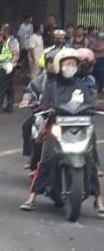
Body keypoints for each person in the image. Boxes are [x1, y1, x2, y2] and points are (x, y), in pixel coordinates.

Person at [20, 49, 103, 216]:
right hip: (56, 128)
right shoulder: (52, 86)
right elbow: (44, 104)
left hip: (80, 127)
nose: (70, 67)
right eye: (67, 64)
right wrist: (41, 109)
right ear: (59, 66)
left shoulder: (82, 86)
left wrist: (95, 109)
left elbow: (90, 103)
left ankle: (98, 201)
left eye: (73, 64)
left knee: (91, 161)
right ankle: (32, 198)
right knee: (47, 159)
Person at [0, 24, 20, 113]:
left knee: (2, 86)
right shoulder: (2, 40)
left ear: (6, 31)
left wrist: (10, 64)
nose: (1, 32)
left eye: (2, 30)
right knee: (8, 87)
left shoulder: (13, 41)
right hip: (3, 66)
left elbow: (16, 54)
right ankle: (9, 106)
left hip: (8, 67)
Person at [92, 28, 104, 94]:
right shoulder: (95, 40)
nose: (101, 33)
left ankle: (101, 88)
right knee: (95, 73)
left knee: (101, 74)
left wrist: (98, 49)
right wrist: (100, 50)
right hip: (95, 59)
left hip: (102, 59)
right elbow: (92, 48)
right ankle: (95, 87)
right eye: (101, 32)